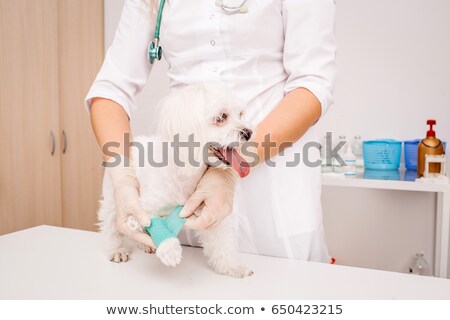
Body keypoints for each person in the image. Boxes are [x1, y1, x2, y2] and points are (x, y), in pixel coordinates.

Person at [86, 0, 337, 262]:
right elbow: (111, 90)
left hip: (273, 175)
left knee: (285, 290)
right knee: (189, 288)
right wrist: (123, 177)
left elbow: (312, 83)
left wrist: (231, 170)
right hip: (183, 180)